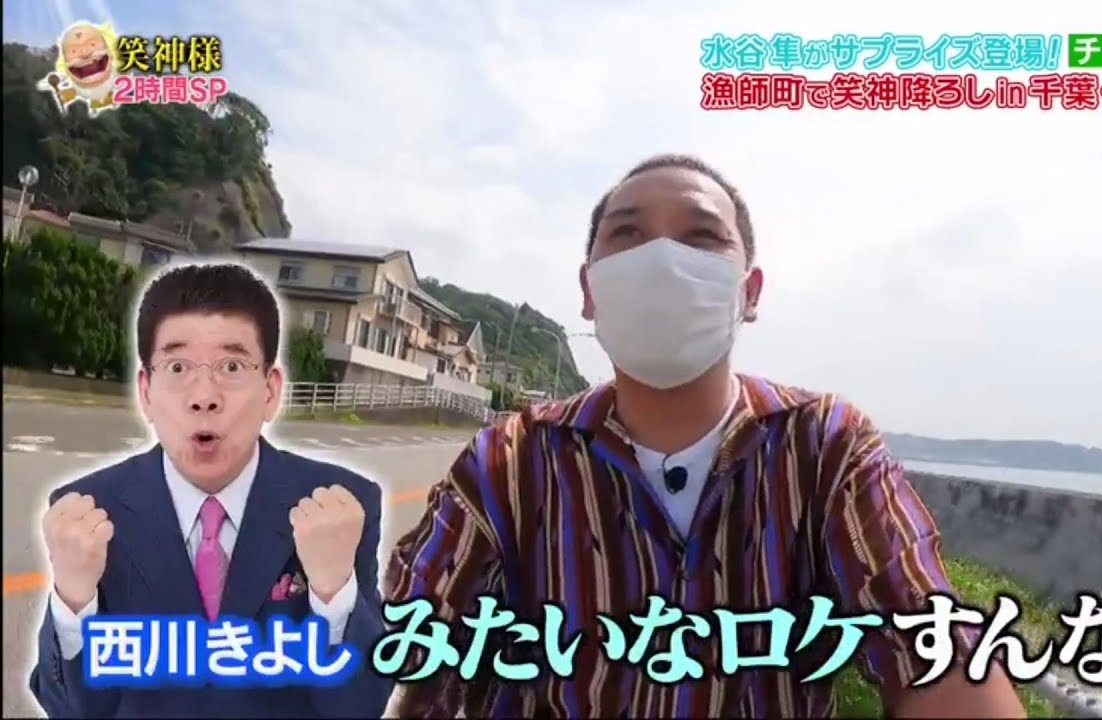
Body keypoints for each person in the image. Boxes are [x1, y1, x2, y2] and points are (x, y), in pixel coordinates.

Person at [383, 154, 1026, 718]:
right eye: (628, 234)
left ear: (750, 292)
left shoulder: (824, 445)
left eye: (701, 237)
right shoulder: (509, 460)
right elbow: (406, 650)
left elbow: (931, 649)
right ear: (590, 290)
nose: (663, 261)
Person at [30, 262, 395, 718]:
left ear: (271, 391)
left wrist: (334, 594)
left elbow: (359, 707)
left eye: (232, 366)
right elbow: (73, 711)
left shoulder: (341, 507)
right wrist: (73, 600)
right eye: (177, 366)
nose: (204, 396)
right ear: (146, 391)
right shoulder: (89, 513)